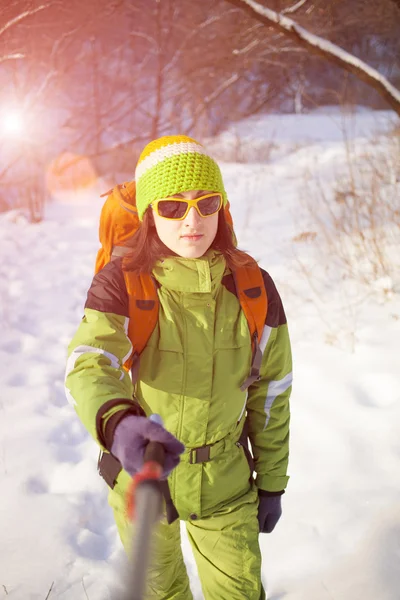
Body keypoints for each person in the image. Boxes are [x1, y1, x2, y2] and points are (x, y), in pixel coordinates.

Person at [65, 135, 292, 600]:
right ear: (150, 213)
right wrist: (120, 425)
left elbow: (271, 390)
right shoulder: (124, 281)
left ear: (222, 209)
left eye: (207, 203)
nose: (193, 220)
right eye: (173, 207)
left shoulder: (253, 286)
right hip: (146, 477)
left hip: (226, 483)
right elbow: (91, 363)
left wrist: (271, 482)